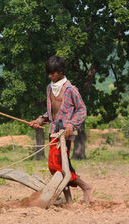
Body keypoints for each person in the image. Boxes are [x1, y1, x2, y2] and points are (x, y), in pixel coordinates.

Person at [29, 55, 95, 204]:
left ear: (60, 72)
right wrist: (39, 120)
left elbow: (81, 109)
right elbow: (51, 112)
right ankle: (69, 200)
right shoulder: (49, 88)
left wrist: (72, 125)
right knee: (59, 167)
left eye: (52, 73)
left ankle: (86, 187)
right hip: (53, 131)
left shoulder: (71, 89)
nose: (50, 76)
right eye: (49, 73)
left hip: (64, 133)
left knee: (56, 165)